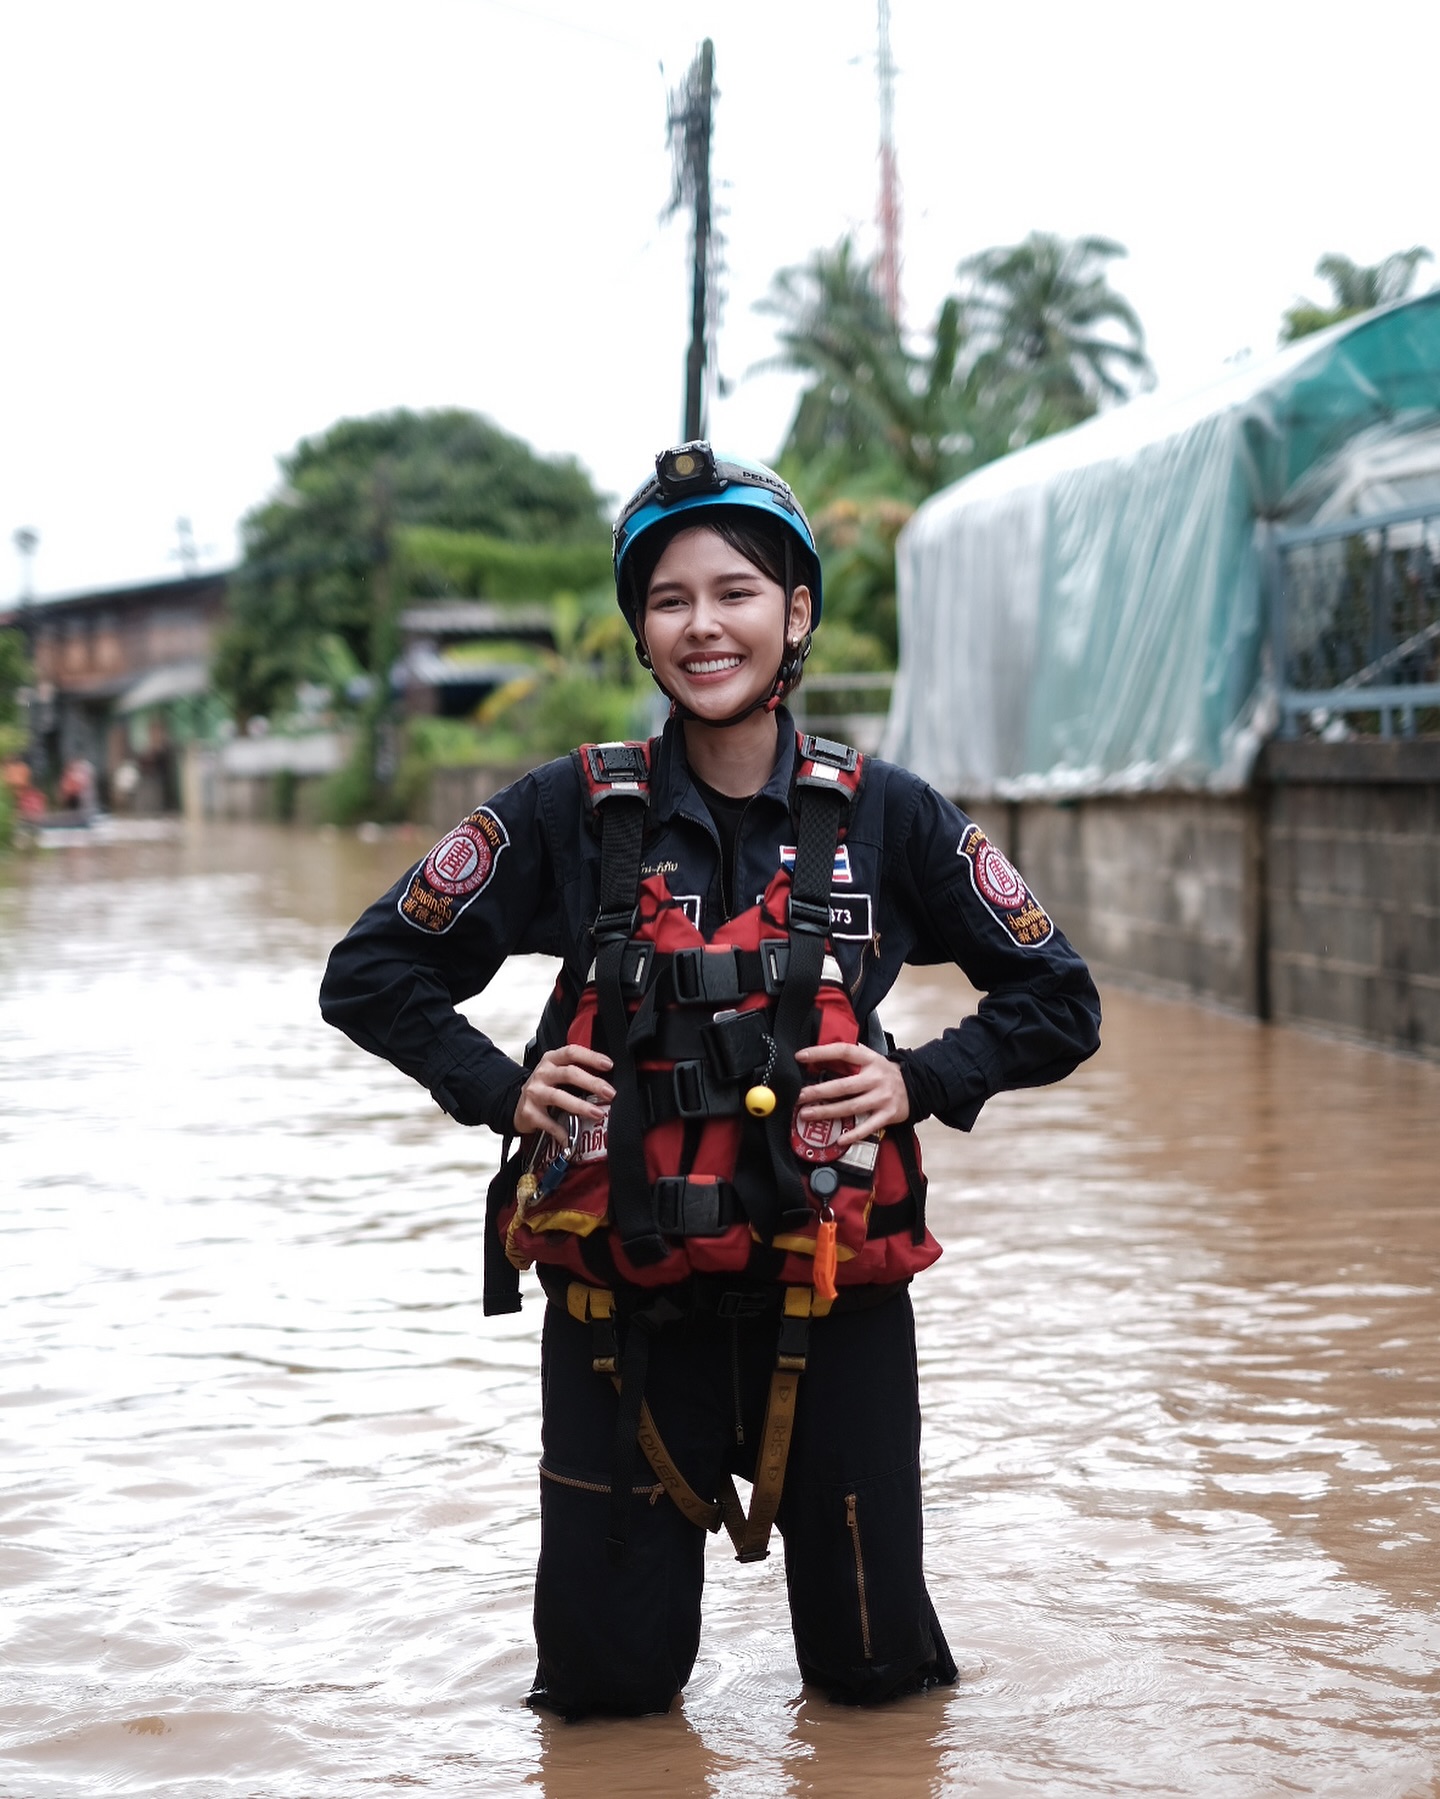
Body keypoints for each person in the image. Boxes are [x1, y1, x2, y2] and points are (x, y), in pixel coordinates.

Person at [320, 444, 1101, 1718]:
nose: (703, 625)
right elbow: (372, 970)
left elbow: (1059, 999)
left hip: (833, 1305)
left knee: (877, 1692)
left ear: (795, 615)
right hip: (619, 1326)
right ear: (640, 627)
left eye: (736, 591)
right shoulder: (567, 814)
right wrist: (500, 1084)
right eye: (670, 597)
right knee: (603, 1705)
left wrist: (918, 1077)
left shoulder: (891, 816)